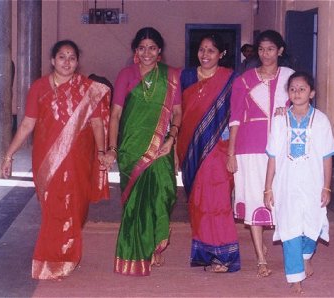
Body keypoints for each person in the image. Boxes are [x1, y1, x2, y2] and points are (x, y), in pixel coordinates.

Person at [1, 40, 111, 280]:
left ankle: (66, 253)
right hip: (46, 160)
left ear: (77, 62)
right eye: (62, 57)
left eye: (72, 57)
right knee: (54, 209)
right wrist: (8, 154)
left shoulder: (87, 88)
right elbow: (28, 123)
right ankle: (55, 259)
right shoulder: (39, 87)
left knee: (76, 208)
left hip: (78, 159)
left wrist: (102, 152)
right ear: (52, 60)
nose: (67, 62)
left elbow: (96, 124)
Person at [105, 27, 182, 276]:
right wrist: (113, 149)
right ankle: (142, 250)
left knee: (162, 195)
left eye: (152, 47)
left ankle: (153, 245)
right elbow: (115, 115)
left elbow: (178, 112)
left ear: (159, 51)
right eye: (142, 48)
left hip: (162, 145)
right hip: (131, 147)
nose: (147, 52)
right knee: (136, 203)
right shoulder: (125, 74)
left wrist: (171, 138)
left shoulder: (171, 76)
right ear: (135, 51)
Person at [227, 30, 295, 277]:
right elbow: (235, 119)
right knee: (257, 198)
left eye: (270, 49)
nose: (265, 54)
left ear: (280, 51)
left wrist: (286, 114)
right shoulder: (243, 81)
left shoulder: (291, 79)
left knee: (284, 200)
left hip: (283, 149)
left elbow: (302, 109)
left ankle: (293, 254)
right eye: (262, 49)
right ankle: (260, 257)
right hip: (249, 149)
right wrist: (231, 153)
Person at [264, 71, 334, 294]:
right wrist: (268, 188)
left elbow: (327, 157)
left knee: (314, 225)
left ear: (312, 93)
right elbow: (273, 156)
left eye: (302, 89)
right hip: (285, 185)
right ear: (288, 93)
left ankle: (306, 256)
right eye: (293, 89)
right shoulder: (279, 120)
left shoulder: (321, 120)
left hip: (313, 183)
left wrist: (326, 186)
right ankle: (295, 277)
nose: (297, 93)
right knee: (289, 227)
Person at [177, 33, 240, 273]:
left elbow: (236, 117)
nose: (205, 55)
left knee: (219, 203)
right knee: (198, 202)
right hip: (190, 149)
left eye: (211, 50)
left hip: (219, 149)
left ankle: (224, 256)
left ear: (221, 54)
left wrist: (233, 151)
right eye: (202, 50)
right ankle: (205, 253)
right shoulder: (186, 77)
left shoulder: (231, 79)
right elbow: (177, 112)